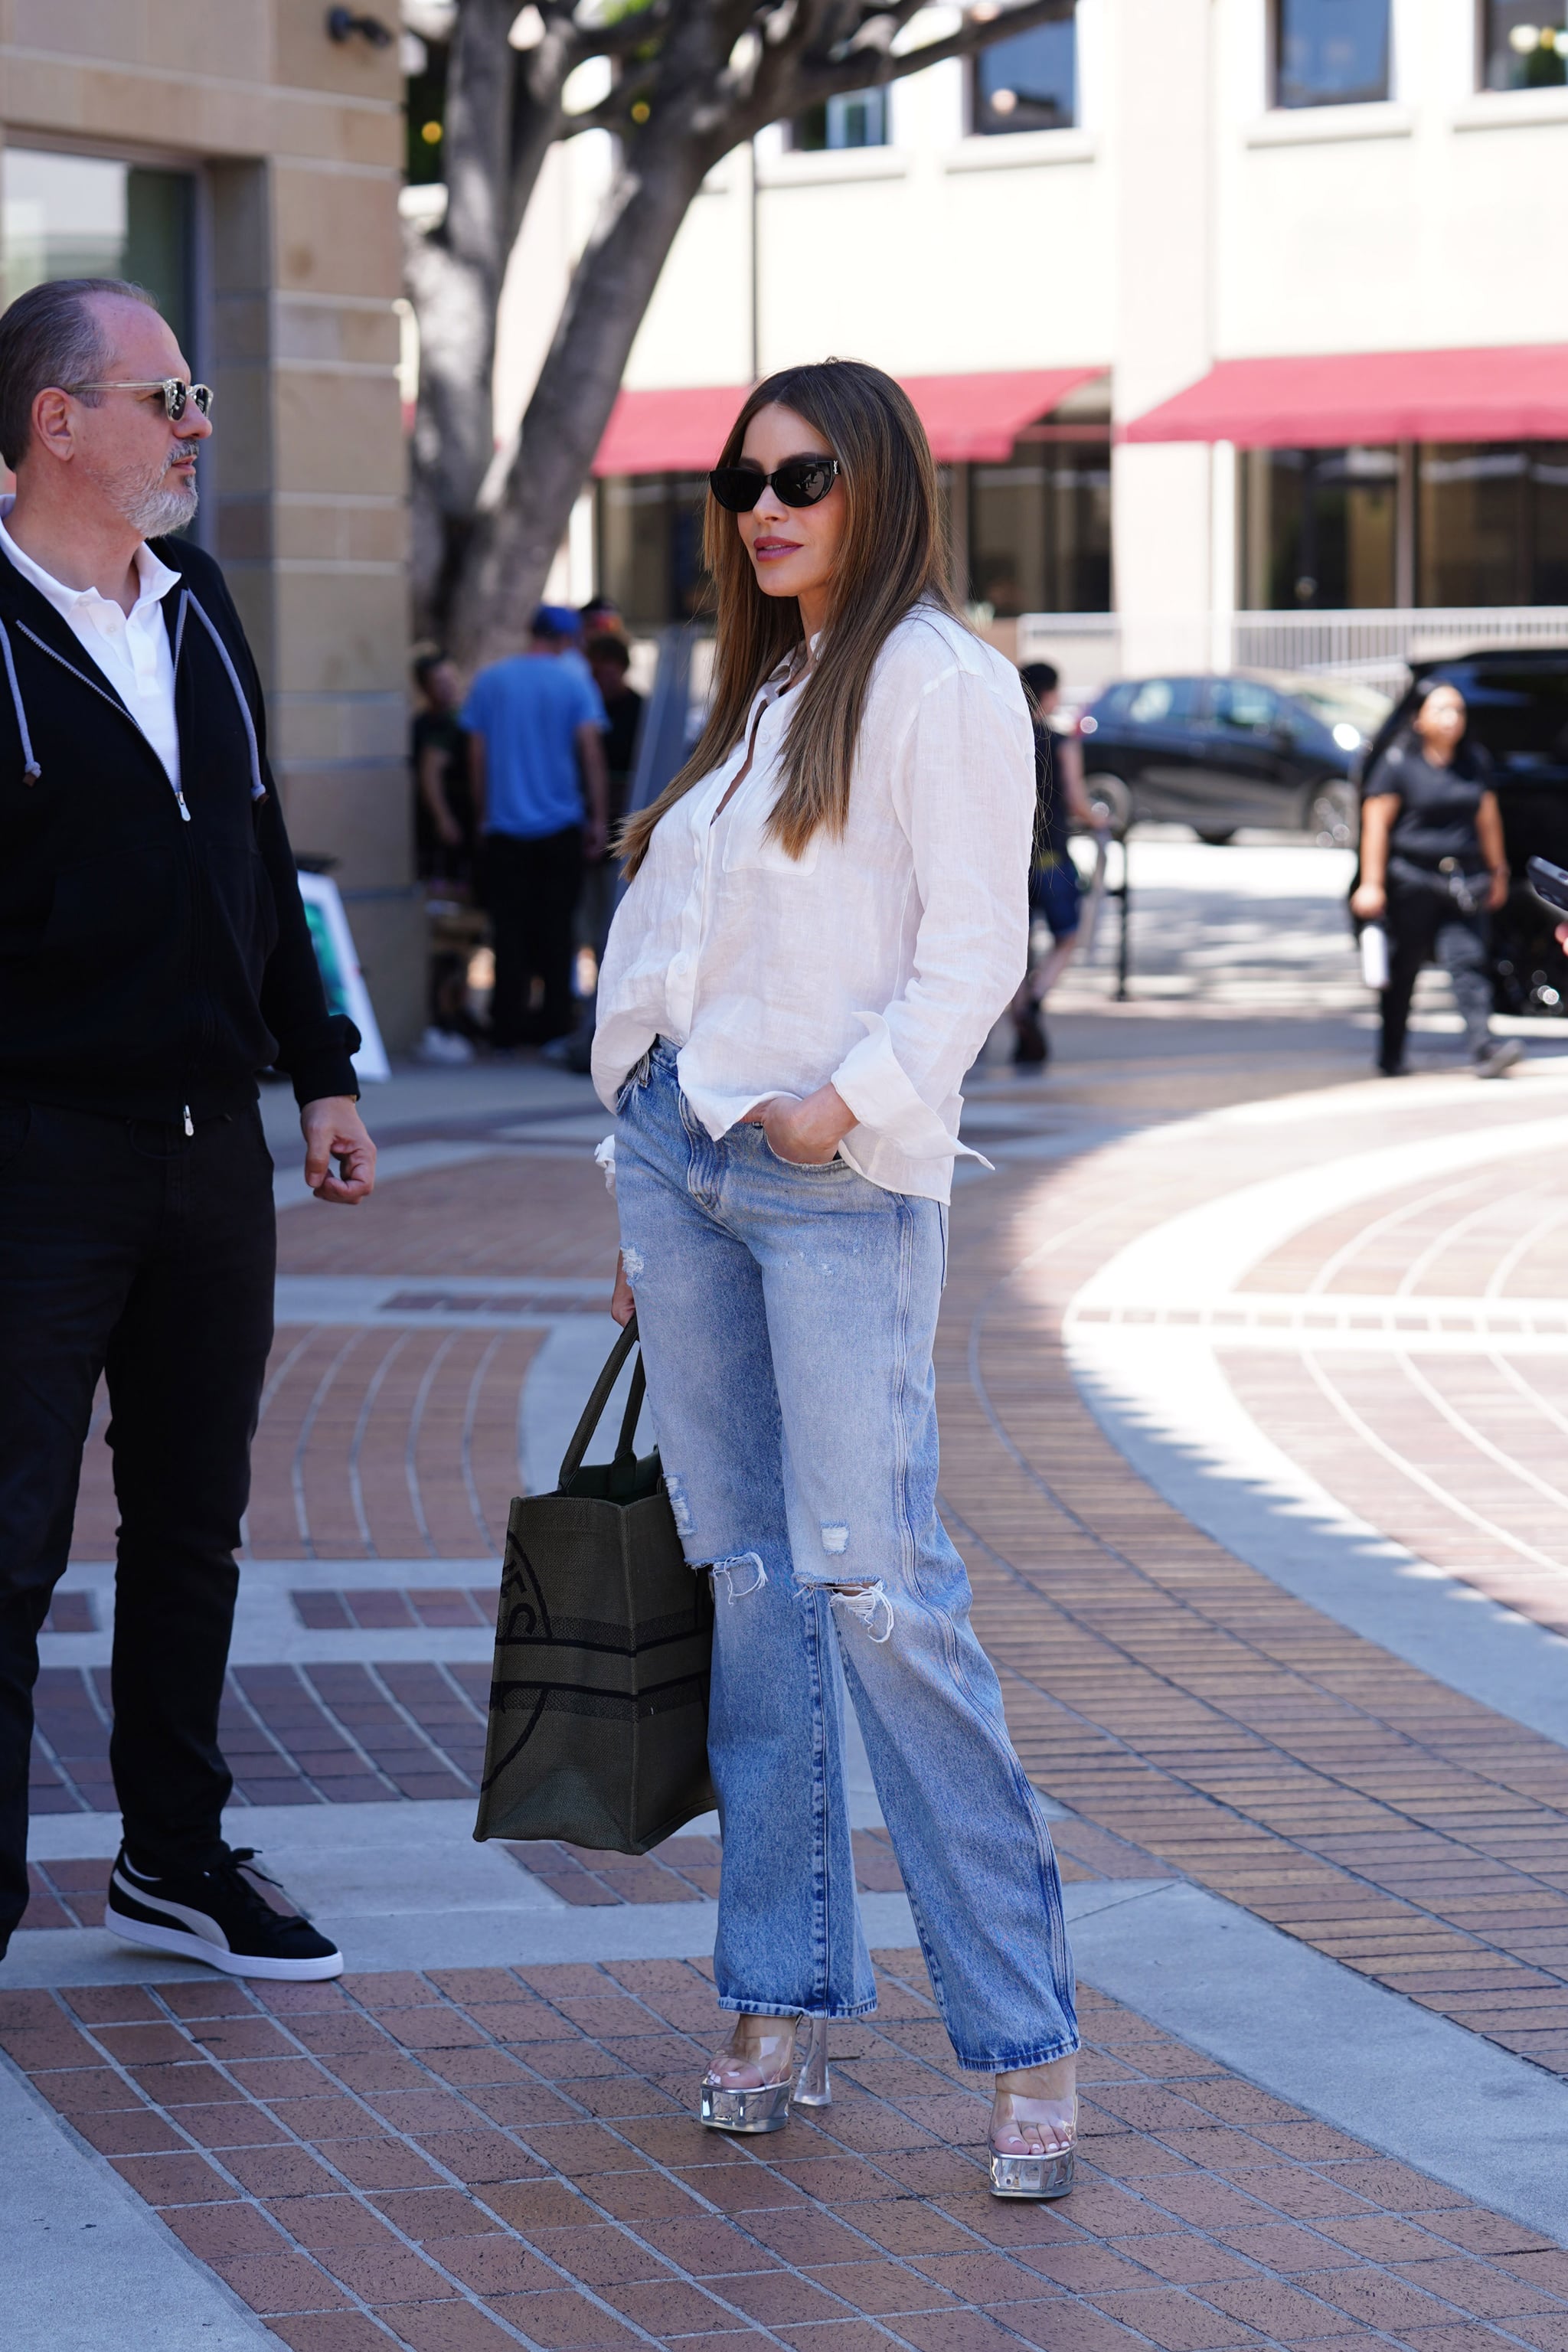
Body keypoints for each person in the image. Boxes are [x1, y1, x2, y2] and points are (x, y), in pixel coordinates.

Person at [593, 359, 1080, 2200]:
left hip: (827, 1177)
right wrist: (631, 1161)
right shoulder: (766, 691)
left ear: (874, 481)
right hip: (684, 1161)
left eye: (797, 474)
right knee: (748, 1589)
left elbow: (973, 950)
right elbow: (674, 948)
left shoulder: (940, 683)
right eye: (738, 480)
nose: (761, 505)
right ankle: (776, 1991)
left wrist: (838, 1107)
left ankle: (1024, 2035)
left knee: (878, 1590)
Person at [0, 276, 377, 1981]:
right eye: (166, 397)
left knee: (192, 1521)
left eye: (196, 394)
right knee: (7, 1536)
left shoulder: (198, 599)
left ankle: (170, 1853)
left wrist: (323, 1069)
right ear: (53, 422)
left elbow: (257, 840)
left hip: (207, 1150)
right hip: (32, 1150)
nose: (196, 423)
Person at [1351, 681, 1521, 1080]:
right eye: (1442, 710)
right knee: (1403, 966)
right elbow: (1376, 825)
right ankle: (1391, 1053)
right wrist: (1371, 882)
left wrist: (1498, 869)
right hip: (1411, 877)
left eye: (1459, 711)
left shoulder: (1472, 761)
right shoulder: (1397, 762)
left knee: (1469, 962)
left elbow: (1487, 817)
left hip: (1464, 878)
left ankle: (1484, 1047)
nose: (1453, 719)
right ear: (1419, 717)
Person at [462, 605, 609, 1047]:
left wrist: (482, 813)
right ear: (568, 640)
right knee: (556, 927)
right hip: (560, 824)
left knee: (507, 929)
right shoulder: (574, 681)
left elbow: (476, 754)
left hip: (505, 826)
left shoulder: (491, 681)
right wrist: (598, 818)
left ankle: (506, 1025)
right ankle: (555, 1021)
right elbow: (590, 753)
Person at [1013, 660, 1098, 1066]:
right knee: (1067, 936)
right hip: (1054, 858)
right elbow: (1080, 804)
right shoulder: (1061, 743)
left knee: (1016, 948)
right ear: (1049, 695)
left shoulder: (1005, 739)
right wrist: (1102, 819)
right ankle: (1036, 996)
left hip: (1013, 862)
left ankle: (1018, 1013)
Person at [411, 645, 473, 887]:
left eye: (451, 678)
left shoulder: (465, 718)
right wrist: (443, 818)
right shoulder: (423, 726)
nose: (448, 686)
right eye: (439, 681)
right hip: (436, 825)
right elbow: (429, 773)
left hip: (465, 817)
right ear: (424, 688)